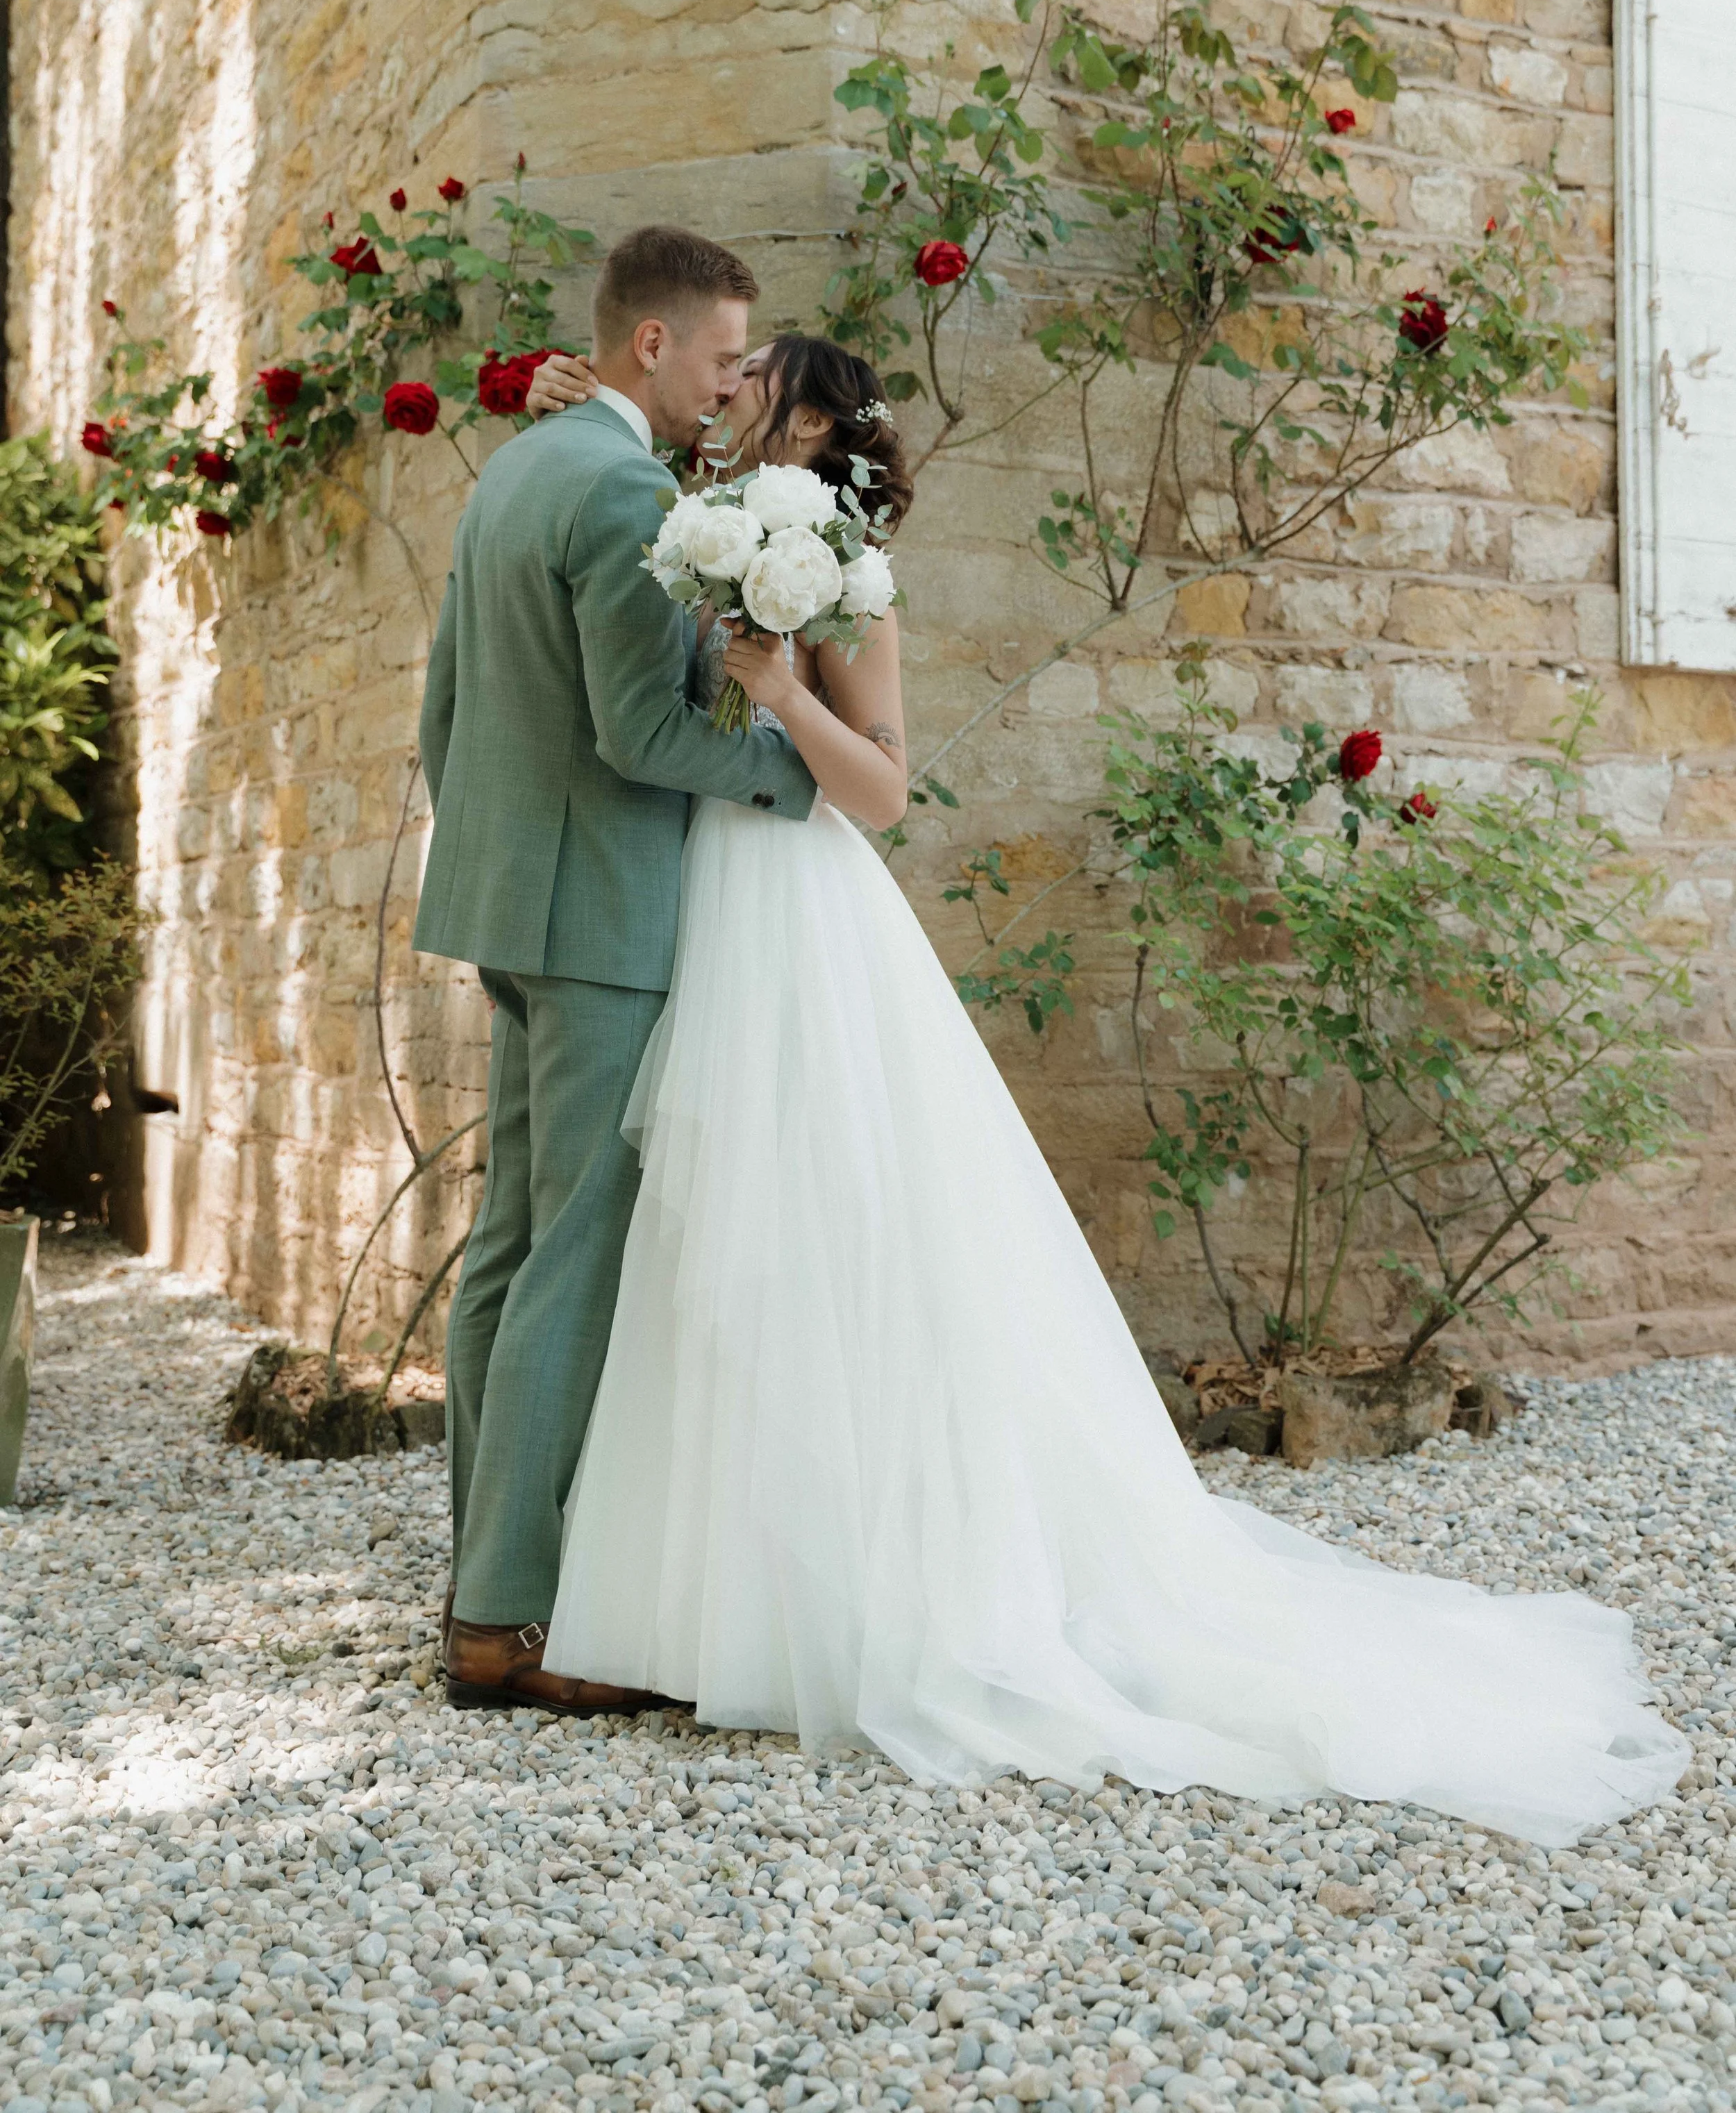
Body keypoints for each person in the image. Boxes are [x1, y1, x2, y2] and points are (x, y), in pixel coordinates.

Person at [517, 333, 1686, 1848]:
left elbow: (877, 791)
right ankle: (708, 1608)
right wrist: (563, 392)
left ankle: (852, 1604)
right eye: (719, 381)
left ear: (808, 421)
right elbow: (631, 458)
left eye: (752, 385)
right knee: (717, 1232)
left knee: (835, 1222)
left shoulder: (849, 568)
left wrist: (774, 689)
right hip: (703, 903)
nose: (723, 396)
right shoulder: (706, 515)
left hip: (805, 908)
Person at [413, 226, 817, 1714]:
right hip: (597, 924)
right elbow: (639, 735)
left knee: (509, 1253)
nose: (727, 386)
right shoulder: (621, 489)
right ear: (652, 344)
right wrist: (800, 777)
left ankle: (482, 1588)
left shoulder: (515, 472)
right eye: (720, 358)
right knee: (569, 1254)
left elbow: (443, 711)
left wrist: (496, 869)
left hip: (512, 906)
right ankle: (508, 1621)